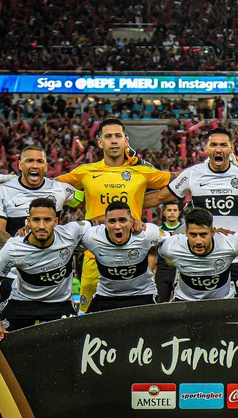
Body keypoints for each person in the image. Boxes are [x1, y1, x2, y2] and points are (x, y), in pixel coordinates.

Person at [143, 127, 238, 298]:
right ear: (206, 149)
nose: (218, 149)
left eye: (224, 145)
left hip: (237, 258)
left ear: (231, 149)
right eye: (214, 144)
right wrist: (127, 203)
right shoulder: (192, 174)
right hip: (203, 260)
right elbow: (159, 197)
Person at [56, 118, 174, 312]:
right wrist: (11, 180)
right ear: (100, 142)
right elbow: (49, 185)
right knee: (87, 317)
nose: (113, 140)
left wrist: (207, 168)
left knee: (134, 314)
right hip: (95, 254)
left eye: (118, 136)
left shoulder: (141, 171)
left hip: (133, 254)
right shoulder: (86, 172)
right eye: (108, 136)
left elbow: (177, 180)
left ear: (126, 141)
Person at [0, 198, 92, 341]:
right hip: (22, 302)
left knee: (71, 345)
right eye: (36, 220)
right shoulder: (13, 248)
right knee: (0, 342)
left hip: (59, 303)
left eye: (47, 220)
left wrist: (131, 220)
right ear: (28, 221)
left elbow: (99, 223)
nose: (41, 225)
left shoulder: (71, 233)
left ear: (56, 222)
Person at [0, 145, 80, 300]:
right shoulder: (3, 191)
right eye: (29, 160)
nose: (35, 165)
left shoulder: (60, 189)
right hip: (14, 273)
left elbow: (87, 199)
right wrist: (20, 247)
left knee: (55, 323)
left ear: (46, 166)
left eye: (40, 161)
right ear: (20, 165)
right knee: (14, 324)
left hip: (51, 271)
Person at [157, 207, 238, 301]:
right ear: (186, 232)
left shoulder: (229, 244)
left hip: (222, 303)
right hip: (185, 302)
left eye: (203, 235)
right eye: (193, 235)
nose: (198, 241)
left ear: (213, 232)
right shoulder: (172, 246)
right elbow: (150, 243)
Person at [81, 201, 166, 312]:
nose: (117, 226)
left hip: (142, 294)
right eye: (112, 221)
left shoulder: (146, 233)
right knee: (89, 328)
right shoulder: (92, 237)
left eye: (122, 220)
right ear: (104, 223)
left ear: (132, 221)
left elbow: (172, 241)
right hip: (106, 296)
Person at [155, 202, 184, 303]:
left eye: (175, 210)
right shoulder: (158, 231)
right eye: (169, 210)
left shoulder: (185, 230)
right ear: (163, 213)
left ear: (179, 213)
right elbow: (152, 252)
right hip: (162, 270)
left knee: (180, 301)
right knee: (161, 302)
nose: (172, 213)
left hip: (180, 269)